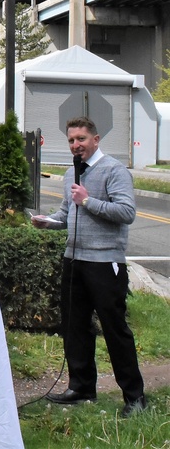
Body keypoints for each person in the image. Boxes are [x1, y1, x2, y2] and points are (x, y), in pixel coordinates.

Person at [31, 116, 147, 418]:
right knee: (75, 327)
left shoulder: (114, 170)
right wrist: (48, 222)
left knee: (114, 329)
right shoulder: (72, 172)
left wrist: (88, 201)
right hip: (74, 261)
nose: (76, 145)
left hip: (104, 263)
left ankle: (135, 397)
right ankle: (81, 386)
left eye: (81, 139)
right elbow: (67, 213)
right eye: (71, 140)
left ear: (95, 139)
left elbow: (126, 212)